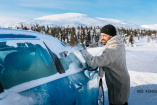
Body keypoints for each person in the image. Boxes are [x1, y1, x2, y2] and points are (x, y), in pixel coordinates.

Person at [78, 24, 130, 105]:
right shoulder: (118, 44)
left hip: (117, 84)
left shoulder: (112, 49)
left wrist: (83, 51)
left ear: (111, 36)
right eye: (101, 36)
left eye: (104, 36)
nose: (102, 38)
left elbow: (93, 62)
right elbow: (107, 60)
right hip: (121, 80)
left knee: (117, 103)